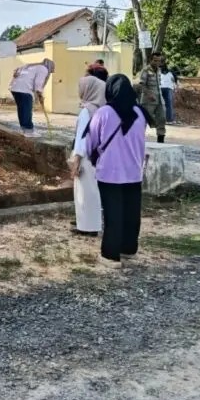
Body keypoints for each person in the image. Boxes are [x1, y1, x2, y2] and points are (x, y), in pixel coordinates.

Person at [86, 74, 152, 268]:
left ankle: (110, 255)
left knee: (113, 214)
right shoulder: (140, 113)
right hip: (133, 171)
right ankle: (129, 248)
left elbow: (92, 141)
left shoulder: (104, 112)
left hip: (110, 172)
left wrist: (92, 157)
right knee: (132, 212)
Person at [69, 75, 107, 237]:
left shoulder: (87, 111)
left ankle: (87, 227)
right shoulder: (105, 109)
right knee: (96, 192)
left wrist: (76, 159)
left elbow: (82, 138)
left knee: (84, 192)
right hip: (100, 156)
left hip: (86, 157)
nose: (80, 90)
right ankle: (95, 223)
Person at [9, 58, 56, 137]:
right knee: (26, 110)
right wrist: (40, 95)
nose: (51, 72)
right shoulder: (43, 69)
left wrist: (38, 94)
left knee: (22, 110)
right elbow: (38, 83)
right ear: (50, 67)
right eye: (52, 69)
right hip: (24, 89)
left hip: (15, 88)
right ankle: (28, 131)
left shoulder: (31, 66)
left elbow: (16, 73)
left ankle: (24, 129)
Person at [138, 52, 167, 143]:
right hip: (148, 100)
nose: (157, 62)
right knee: (144, 120)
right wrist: (149, 94)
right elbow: (141, 85)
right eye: (155, 60)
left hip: (159, 100)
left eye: (159, 61)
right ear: (151, 60)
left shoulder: (159, 70)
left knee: (162, 119)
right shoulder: (145, 70)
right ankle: (139, 139)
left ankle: (160, 141)